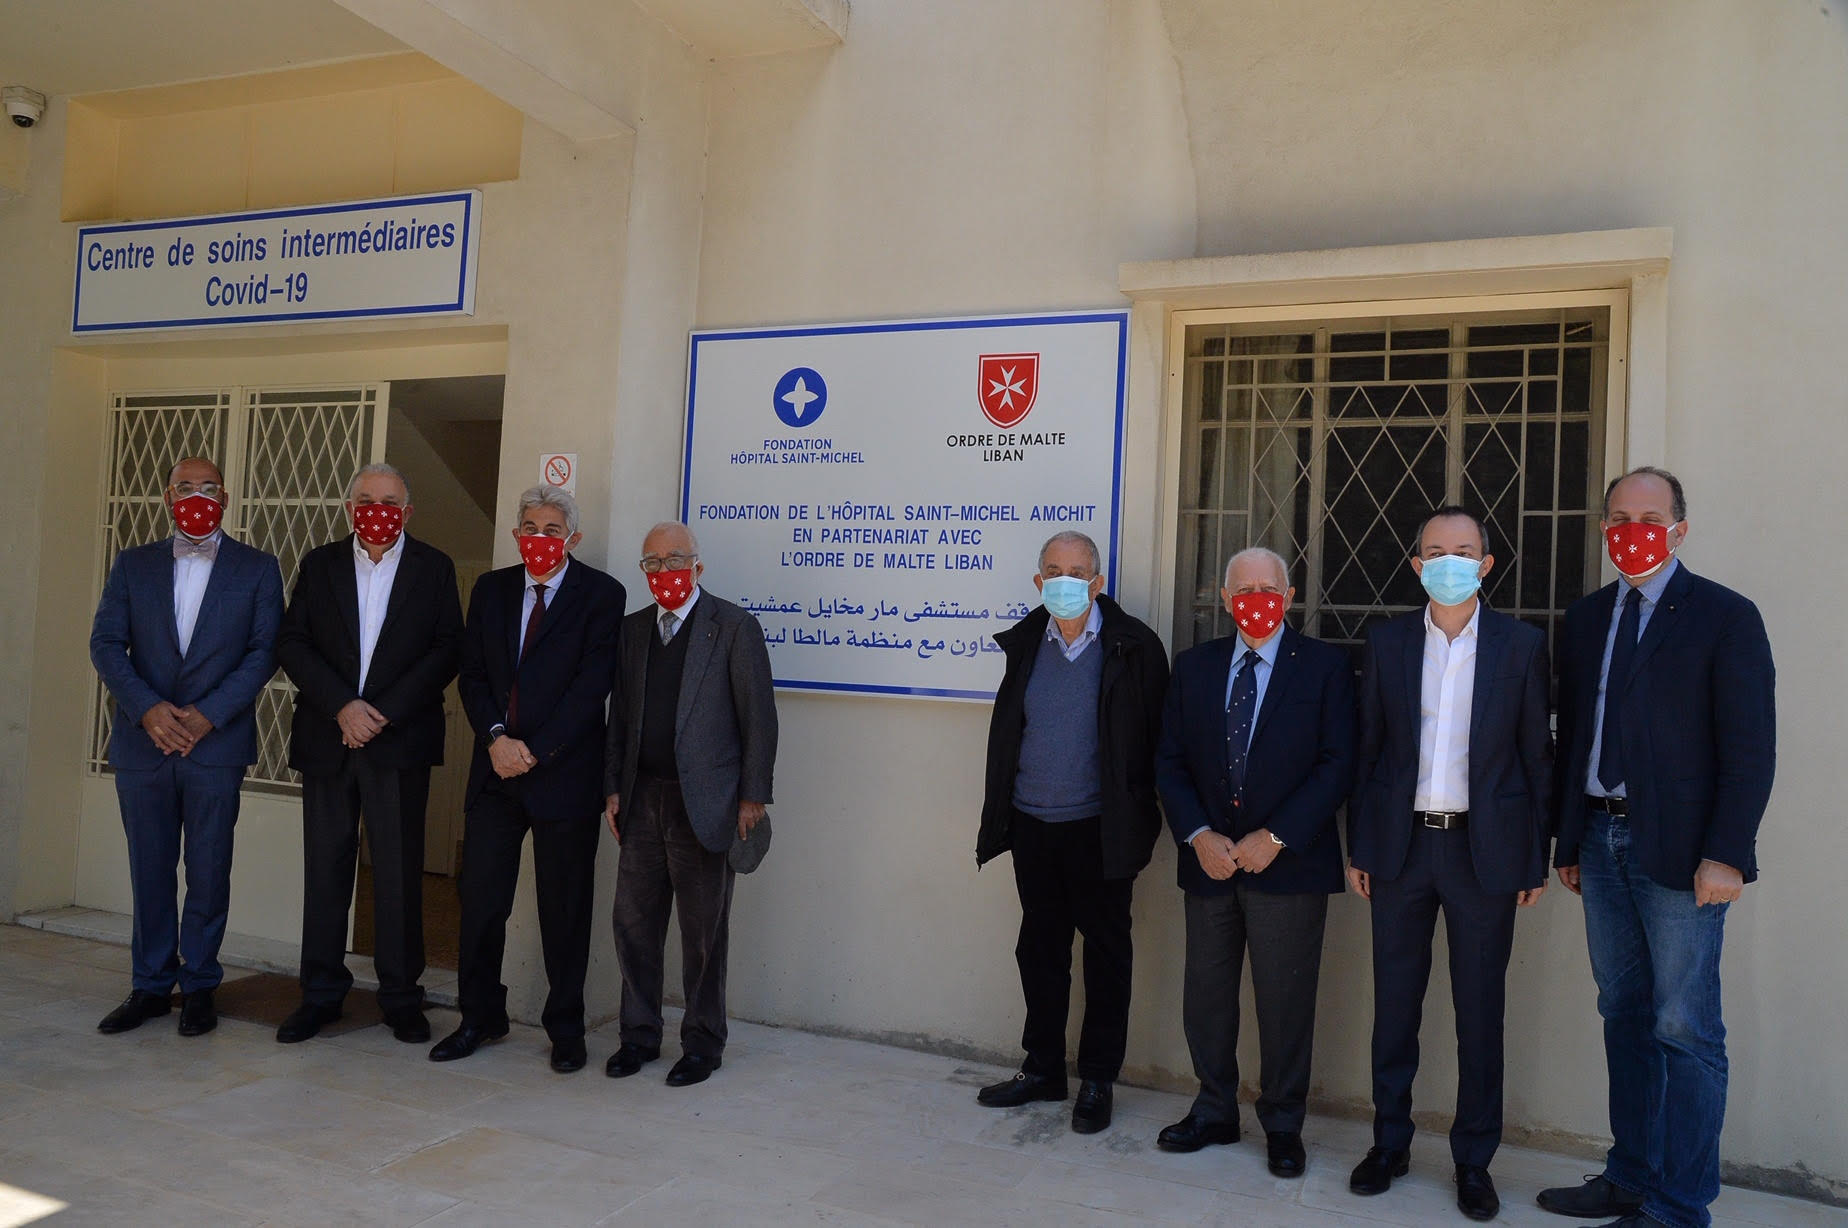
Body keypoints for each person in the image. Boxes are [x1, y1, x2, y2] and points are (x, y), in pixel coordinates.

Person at [1537, 468, 1775, 1228]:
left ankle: (1679, 1206)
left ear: (1679, 527)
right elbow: (1572, 735)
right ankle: (1630, 1175)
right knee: (1624, 1012)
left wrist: (1728, 852)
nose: (1630, 528)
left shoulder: (1724, 617)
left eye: (1647, 515)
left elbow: (1750, 747)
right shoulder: (1585, 618)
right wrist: (1568, 837)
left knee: (1686, 1028)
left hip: (1682, 851)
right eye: (1617, 516)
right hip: (1600, 841)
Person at [1346, 506, 1553, 1221]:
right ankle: (1389, 1143)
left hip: (1483, 854)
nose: (1449, 561)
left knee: (1478, 1012)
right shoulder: (1390, 641)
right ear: (1416, 565)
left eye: (1463, 551)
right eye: (1435, 551)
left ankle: (1473, 1161)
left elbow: (1536, 759)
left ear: (1486, 564)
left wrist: (1536, 857)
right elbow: (1368, 752)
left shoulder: (1522, 647)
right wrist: (1362, 849)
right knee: (1395, 1008)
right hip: (1401, 851)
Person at [1154, 546, 1357, 1177]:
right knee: (1207, 997)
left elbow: (1337, 764)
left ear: (1290, 594)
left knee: (1285, 1001)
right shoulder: (1193, 667)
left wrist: (1278, 836)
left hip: (1288, 866)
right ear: (1224, 596)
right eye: (1243, 588)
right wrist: (1197, 834)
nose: (1256, 598)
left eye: (1269, 587)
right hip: (1210, 863)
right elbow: (1170, 761)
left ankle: (1283, 1123)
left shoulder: (1324, 667)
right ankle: (1214, 1108)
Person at [974, 531, 1168, 1134]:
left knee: (1106, 957)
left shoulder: (1134, 647)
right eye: (1053, 570)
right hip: (1034, 824)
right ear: (1038, 582)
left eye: (1077, 570)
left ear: (1098, 582)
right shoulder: (1027, 641)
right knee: (1040, 950)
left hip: (1100, 831)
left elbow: (1160, 742)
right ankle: (1043, 1070)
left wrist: (1139, 820)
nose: (1065, 580)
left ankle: (1098, 1081)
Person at [88, 456, 284, 1038]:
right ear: (167, 497)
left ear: (225, 496)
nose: (196, 496)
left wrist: (208, 716)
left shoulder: (258, 567)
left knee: (208, 869)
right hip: (141, 744)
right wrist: (147, 709)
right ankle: (149, 984)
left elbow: (264, 651)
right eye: (184, 488)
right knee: (149, 869)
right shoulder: (133, 564)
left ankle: (199, 984)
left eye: (207, 488)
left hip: (214, 747)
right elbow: (105, 643)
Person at [430, 485, 624, 1072]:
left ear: (573, 538)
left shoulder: (601, 594)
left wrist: (535, 751)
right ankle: (479, 1016)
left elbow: (593, 686)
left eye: (552, 528)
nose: (540, 538)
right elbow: (473, 675)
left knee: (564, 908)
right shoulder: (490, 590)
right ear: (518, 534)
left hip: (564, 775)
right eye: (531, 527)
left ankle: (566, 1029)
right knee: (481, 900)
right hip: (495, 772)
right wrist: (495, 738)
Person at [272, 463, 462, 1045]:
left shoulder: (434, 567)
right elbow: (292, 641)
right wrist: (343, 708)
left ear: (407, 511)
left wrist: (379, 713)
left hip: (397, 742)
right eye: (365, 499)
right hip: (330, 738)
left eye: (389, 501)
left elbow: (447, 648)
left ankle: (402, 996)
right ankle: (321, 994)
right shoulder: (320, 563)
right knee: (326, 871)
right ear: (349, 505)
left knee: (400, 873)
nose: (376, 509)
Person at [603, 521, 778, 1087]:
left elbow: (760, 719)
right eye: (652, 563)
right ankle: (638, 1036)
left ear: (697, 566)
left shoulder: (733, 626)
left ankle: (702, 1043)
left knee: (704, 933)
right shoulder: (632, 631)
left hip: (706, 804)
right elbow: (621, 718)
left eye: (675, 560)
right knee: (633, 924)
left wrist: (753, 796)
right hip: (640, 798)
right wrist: (612, 786)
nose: (664, 572)